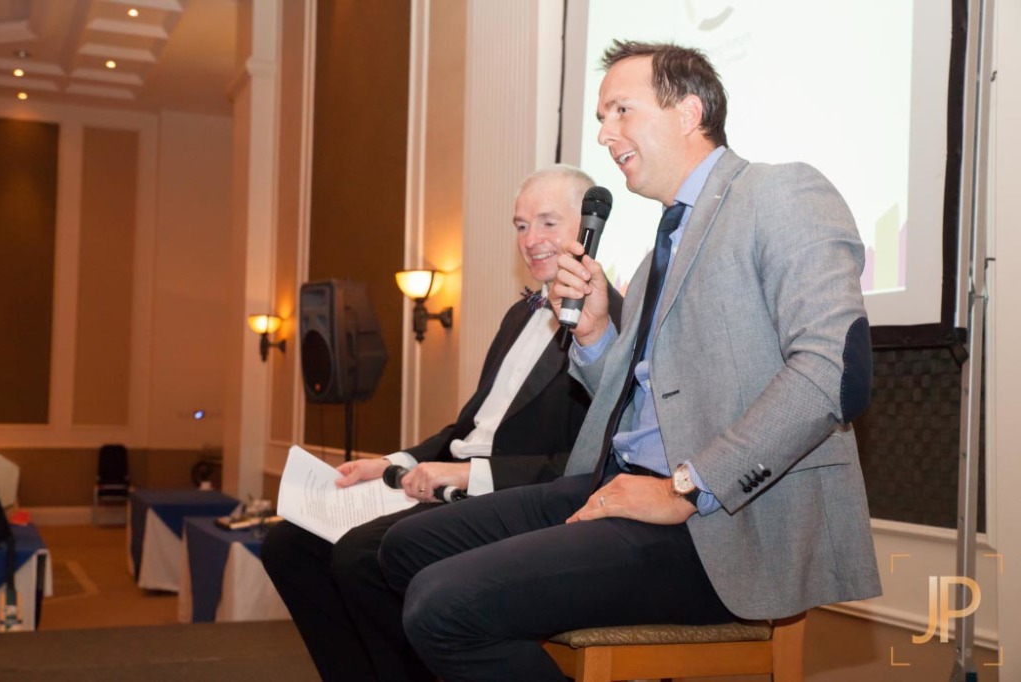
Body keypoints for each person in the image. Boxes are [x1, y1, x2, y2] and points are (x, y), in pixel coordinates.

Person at [377, 40, 882, 682]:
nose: (604, 133)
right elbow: (636, 394)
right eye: (599, 117)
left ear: (687, 111)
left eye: (620, 110)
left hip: (715, 522)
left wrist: (685, 488)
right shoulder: (657, 254)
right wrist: (591, 339)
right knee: (404, 547)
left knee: (443, 605)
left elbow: (834, 373)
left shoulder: (782, 192)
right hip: (613, 484)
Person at [261, 164, 623, 682]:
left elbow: (585, 465)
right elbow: (468, 428)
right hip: (452, 487)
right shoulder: (519, 316)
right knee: (288, 545)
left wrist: (469, 476)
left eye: (548, 223)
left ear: (589, 227)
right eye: (521, 226)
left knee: (361, 556)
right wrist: (395, 462)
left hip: (515, 506)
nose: (531, 240)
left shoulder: (611, 326)